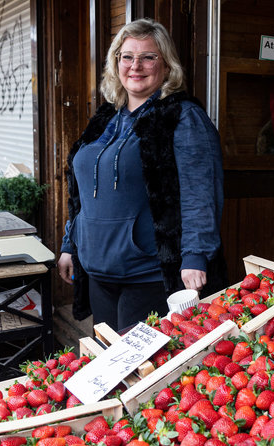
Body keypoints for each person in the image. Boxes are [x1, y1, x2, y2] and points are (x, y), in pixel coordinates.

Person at [57, 18, 226, 331]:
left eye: (148, 56)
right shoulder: (105, 117)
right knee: (109, 362)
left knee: (139, 371)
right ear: (116, 63)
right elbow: (81, 192)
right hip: (98, 272)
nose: (136, 65)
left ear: (166, 65)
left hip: (147, 274)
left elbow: (200, 190)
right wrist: (70, 244)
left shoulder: (182, 116)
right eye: (127, 56)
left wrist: (195, 256)